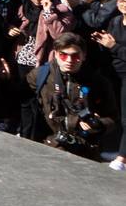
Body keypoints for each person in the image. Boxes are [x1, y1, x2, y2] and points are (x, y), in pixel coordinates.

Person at [37, 33, 118, 161]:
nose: (69, 60)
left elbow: (113, 118)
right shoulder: (42, 75)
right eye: (63, 55)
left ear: (84, 56)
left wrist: (99, 124)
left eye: (75, 56)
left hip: (86, 150)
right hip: (51, 146)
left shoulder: (99, 82)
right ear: (56, 54)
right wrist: (5, 79)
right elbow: (17, 97)